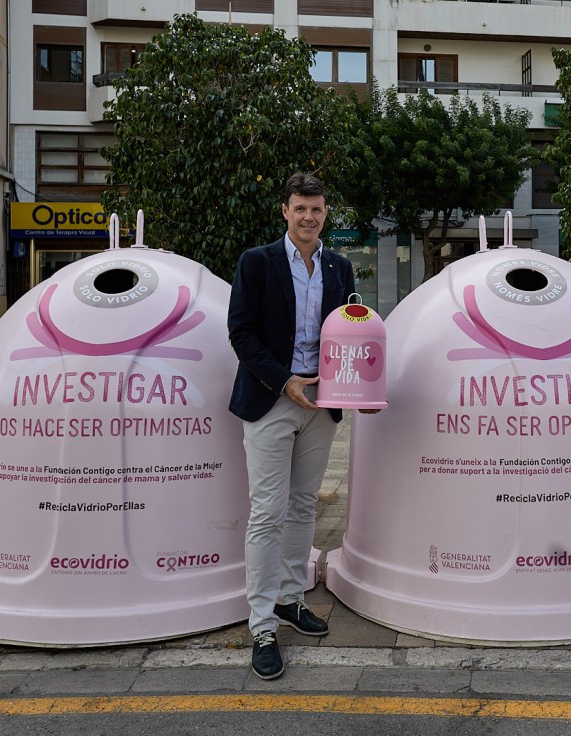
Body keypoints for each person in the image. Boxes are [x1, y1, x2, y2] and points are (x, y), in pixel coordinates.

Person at [227, 172, 356, 680]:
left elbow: (348, 331)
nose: (309, 217)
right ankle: (262, 625)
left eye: (317, 209)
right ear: (285, 211)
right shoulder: (256, 263)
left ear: (326, 213)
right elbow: (241, 332)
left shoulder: (339, 267)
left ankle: (289, 599)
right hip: (271, 398)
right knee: (267, 511)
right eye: (300, 208)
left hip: (321, 403)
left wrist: (352, 388)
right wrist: (285, 383)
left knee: (304, 504)